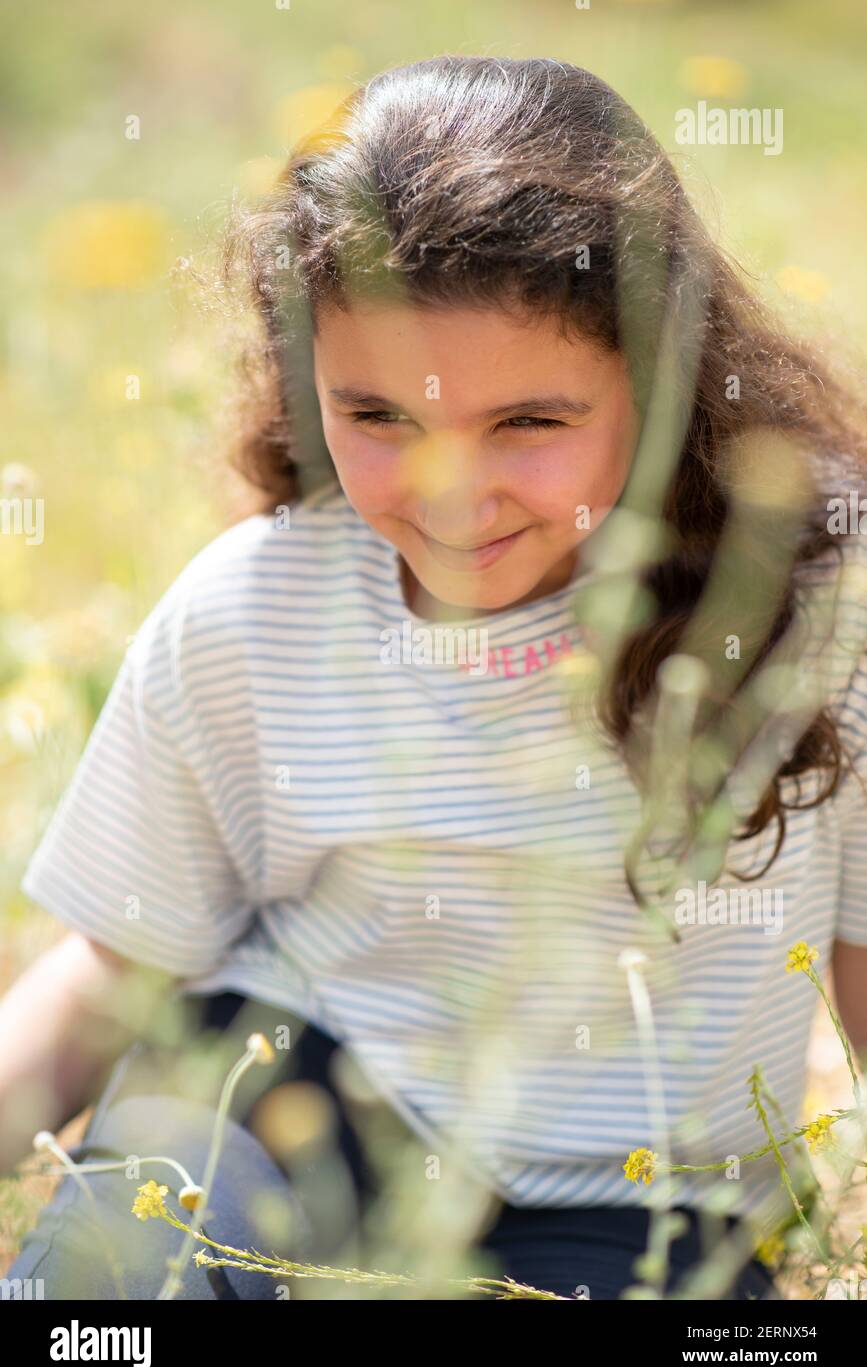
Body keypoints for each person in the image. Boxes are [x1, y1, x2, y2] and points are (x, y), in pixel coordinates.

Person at [3, 56, 867, 1301]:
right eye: (382, 418)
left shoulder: (808, 596)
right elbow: (119, 961)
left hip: (630, 1197)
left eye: (529, 424)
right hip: (288, 1092)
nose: (452, 493)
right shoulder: (259, 605)